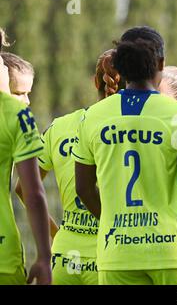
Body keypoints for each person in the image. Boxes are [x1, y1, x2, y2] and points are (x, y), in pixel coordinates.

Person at [73, 26, 177, 285]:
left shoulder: (92, 117)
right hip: (174, 252)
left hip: (117, 254)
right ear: (161, 64)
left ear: (119, 66)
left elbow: (84, 188)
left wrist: (113, 222)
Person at [15, 49, 123, 285]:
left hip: (64, 258)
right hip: (112, 255)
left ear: (96, 82)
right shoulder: (135, 130)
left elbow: (23, 188)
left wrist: (57, 233)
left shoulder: (60, 126)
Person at [0, 54, 52, 285]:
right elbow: (33, 192)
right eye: (20, 93)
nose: (27, 101)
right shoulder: (17, 116)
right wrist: (44, 255)